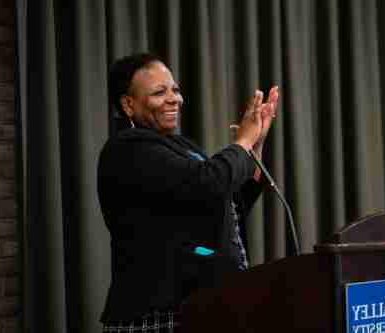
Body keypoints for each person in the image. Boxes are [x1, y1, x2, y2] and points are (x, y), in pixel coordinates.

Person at [98, 53, 279, 332]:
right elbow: (209, 182)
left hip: (203, 307)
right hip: (160, 315)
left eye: (175, 89)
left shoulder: (181, 147)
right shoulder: (128, 150)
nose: (175, 99)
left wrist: (255, 145)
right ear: (128, 104)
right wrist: (243, 141)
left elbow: (228, 203)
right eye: (160, 92)